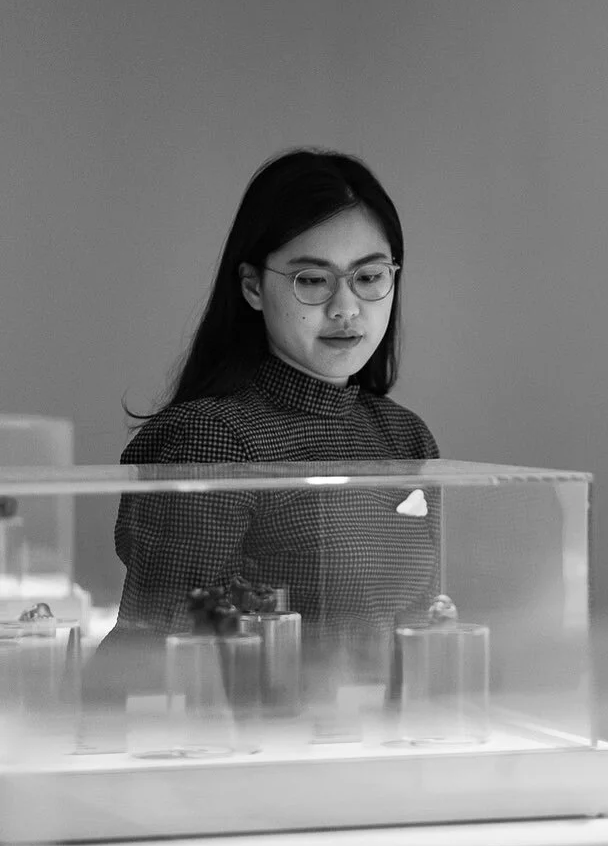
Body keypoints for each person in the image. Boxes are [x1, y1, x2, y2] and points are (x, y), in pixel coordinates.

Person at [98, 148, 440, 684]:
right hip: (249, 747)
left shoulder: (405, 437)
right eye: (312, 280)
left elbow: (421, 635)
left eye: (369, 277)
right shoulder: (212, 438)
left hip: (374, 745)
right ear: (253, 286)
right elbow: (159, 649)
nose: (346, 308)